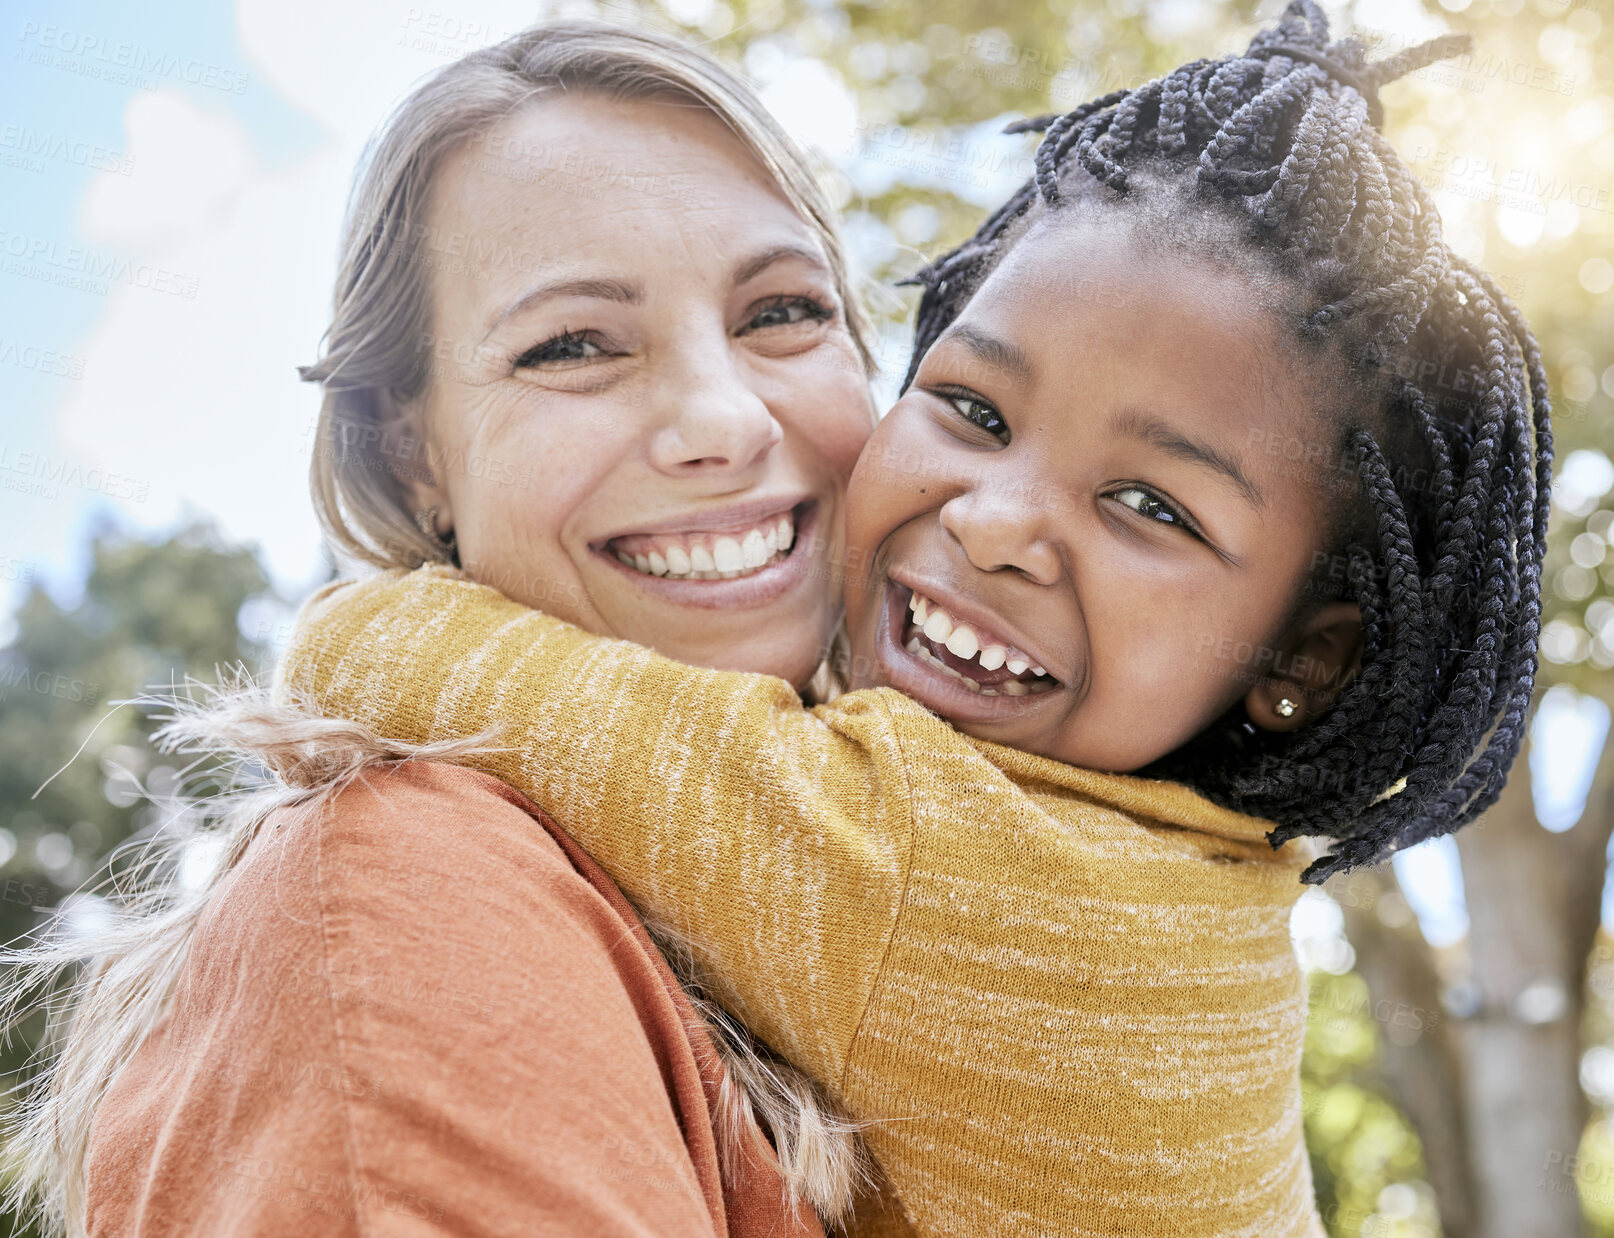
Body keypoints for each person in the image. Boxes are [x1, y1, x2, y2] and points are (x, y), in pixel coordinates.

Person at [270, 4, 1549, 1236]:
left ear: (1303, 659)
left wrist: (353, 624)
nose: (995, 520)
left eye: (1151, 503)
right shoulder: (1177, 870)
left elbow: (518, 695)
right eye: (975, 412)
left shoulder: (951, 885)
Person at [0, 21, 915, 1238]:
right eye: (574, 343)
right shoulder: (408, 895)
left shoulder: (909, 895)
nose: (725, 418)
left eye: (784, 311)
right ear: (412, 453)